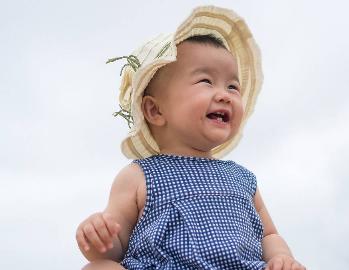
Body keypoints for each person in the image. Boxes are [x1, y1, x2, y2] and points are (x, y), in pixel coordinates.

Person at [76, 6, 306, 270]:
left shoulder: (242, 179)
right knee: (98, 268)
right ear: (155, 110)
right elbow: (115, 245)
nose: (225, 94)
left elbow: (269, 236)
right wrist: (97, 238)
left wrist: (282, 258)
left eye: (232, 86)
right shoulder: (139, 175)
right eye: (206, 81)